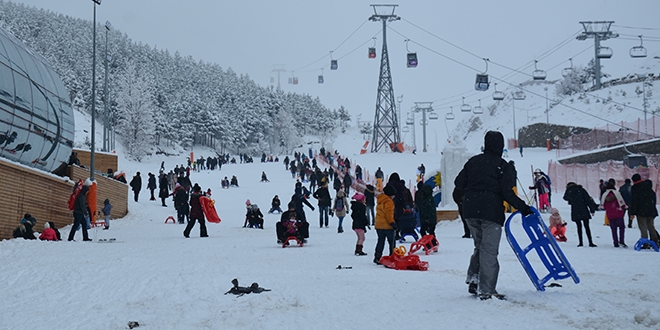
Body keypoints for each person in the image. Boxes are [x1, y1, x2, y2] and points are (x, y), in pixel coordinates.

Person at [454, 130, 531, 300]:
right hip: (490, 212)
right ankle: (487, 289)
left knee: (480, 247)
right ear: (501, 146)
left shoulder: (473, 161)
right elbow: (507, 193)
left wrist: (475, 184)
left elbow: (459, 183)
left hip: (470, 210)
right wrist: (523, 207)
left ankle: (474, 279)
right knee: (489, 250)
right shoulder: (502, 166)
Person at [563, 182, 599, 247]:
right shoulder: (581, 189)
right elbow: (588, 200)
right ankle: (590, 242)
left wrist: (571, 197)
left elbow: (565, 197)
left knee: (579, 227)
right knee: (587, 227)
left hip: (575, 210)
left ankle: (581, 242)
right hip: (584, 209)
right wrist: (592, 209)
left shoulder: (569, 190)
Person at [629, 173, 659, 248]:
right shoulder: (647, 186)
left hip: (641, 211)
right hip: (650, 210)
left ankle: (645, 243)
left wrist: (632, 213)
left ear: (633, 180)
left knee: (643, 227)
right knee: (651, 227)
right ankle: (656, 241)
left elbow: (634, 201)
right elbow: (653, 198)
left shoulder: (635, 188)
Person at [374, 184, 397, 265]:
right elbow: (388, 214)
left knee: (380, 241)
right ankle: (393, 256)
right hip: (387, 226)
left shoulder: (380, 200)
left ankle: (377, 257)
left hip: (379, 225)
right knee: (392, 242)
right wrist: (392, 223)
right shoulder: (389, 202)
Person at [601, 181, 627, 247]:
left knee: (613, 229)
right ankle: (621, 241)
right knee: (621, 227)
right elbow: (622, 203)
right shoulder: (617, 194)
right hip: (618, 213)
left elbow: (603, 205)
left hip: (610, 214)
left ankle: (615, 242)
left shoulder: (605, 195)